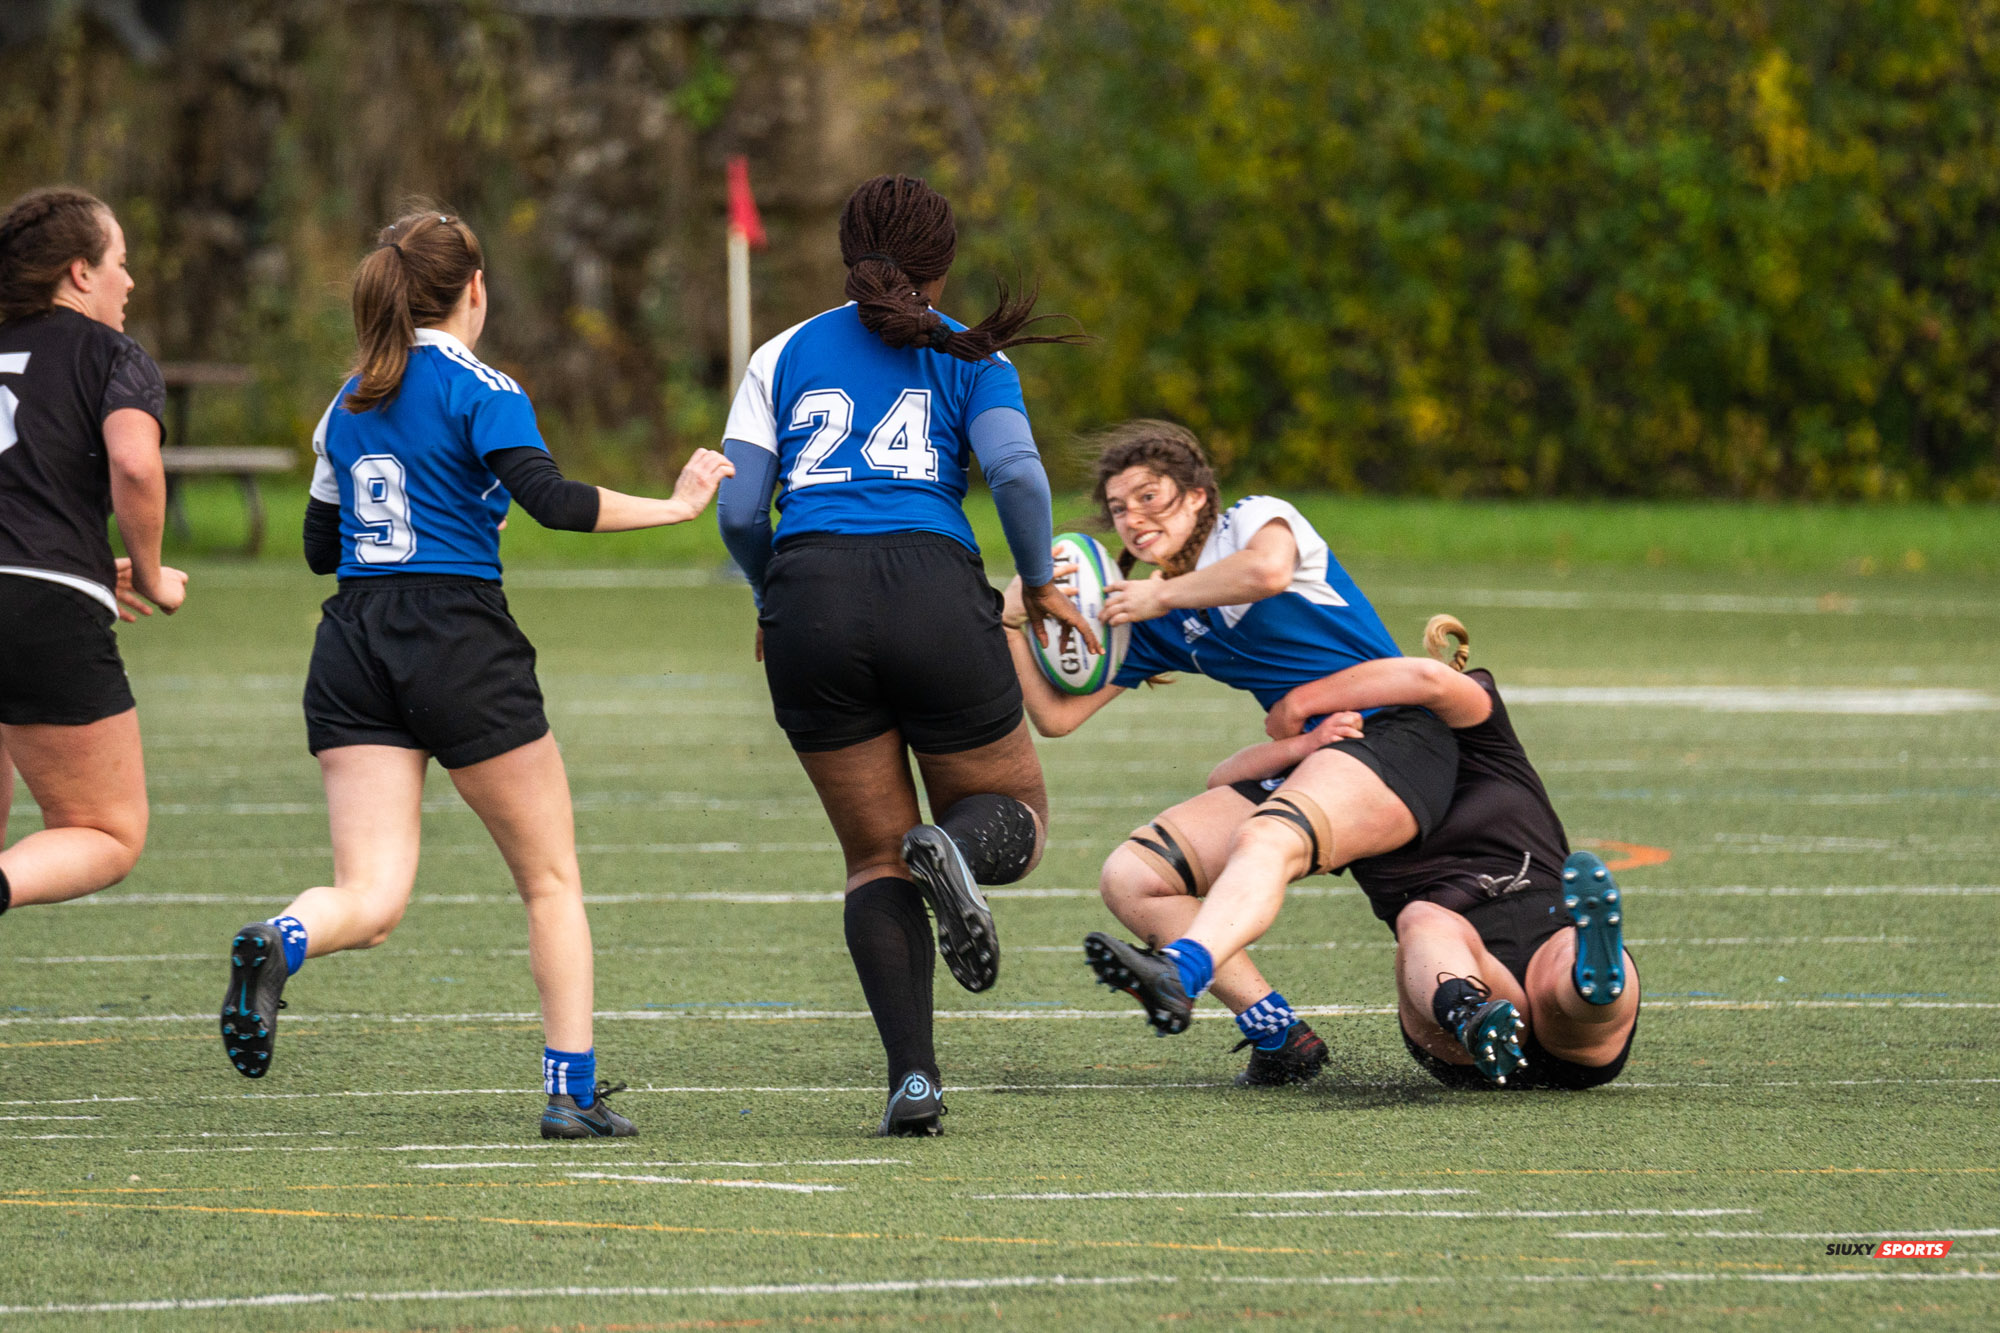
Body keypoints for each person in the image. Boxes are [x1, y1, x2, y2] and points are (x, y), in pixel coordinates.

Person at [217, 207, 733, 1140]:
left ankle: (281, 937)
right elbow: (555, 502)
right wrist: (677, 504)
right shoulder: (482, 385)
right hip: (454, 635)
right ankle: (569, 1093)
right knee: (549, 879)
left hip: (353, 642)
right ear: (475, 291)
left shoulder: (349, 397)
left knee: (369, 899)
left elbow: (317, 545)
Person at [716, 173, 1093, 1137]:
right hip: (931, 588)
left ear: (848, 253)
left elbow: (737, 509)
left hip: (810, 600)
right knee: (1017, 818)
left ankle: (914, 1081)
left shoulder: (780, 351)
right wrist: (1037, 578)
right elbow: (1013, 470)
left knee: (871, 858)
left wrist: (773, 595)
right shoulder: (969, 351)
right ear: (945, 261)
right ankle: (957, 849)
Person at [1002, 421, 1458, 1083]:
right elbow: (1056, 717)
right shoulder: (1156, 617)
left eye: (1150, 496)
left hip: (1399, 738)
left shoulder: (1254, 521)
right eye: (1120, 508)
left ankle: (1180, 970)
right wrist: (1013, 622)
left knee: (1265, 838)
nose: (1133, 517)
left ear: (1197, 496)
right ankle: (1278, 1034)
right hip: (1315, 757)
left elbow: (1268, 573)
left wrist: (1157, 591)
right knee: (1132, 877)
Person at [1205, 622, 1640, 1088]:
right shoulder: (1339, 774)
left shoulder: (1475, 725)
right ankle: (1480, 1011)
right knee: (1428, 922)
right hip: (1458, 998)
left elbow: (1428, 681)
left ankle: (1590, 979)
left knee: (1562, 962)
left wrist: (1301, 702)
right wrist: (1302, 743)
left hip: (1542, 935)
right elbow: (1223, 780)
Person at [0, 186, 187, 923]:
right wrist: (146, 574)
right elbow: (135, 465)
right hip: (42, 605)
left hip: (43, 579)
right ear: (80, 272)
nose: (130, 280)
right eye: (121, 261)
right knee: (106, 830)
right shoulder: (112, 354)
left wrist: (75, 562)